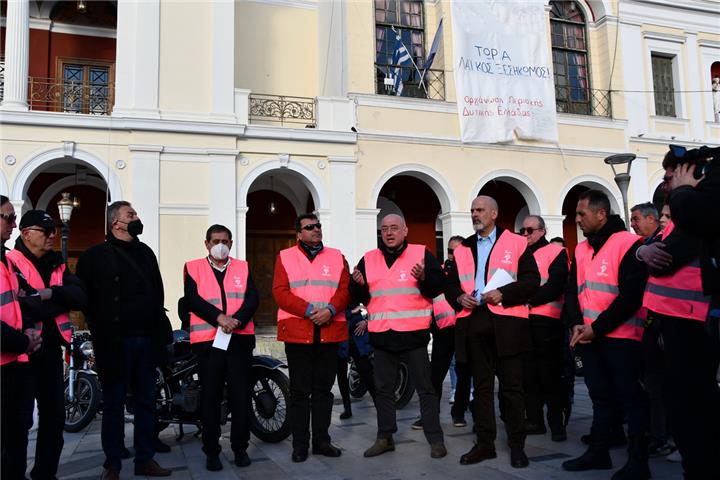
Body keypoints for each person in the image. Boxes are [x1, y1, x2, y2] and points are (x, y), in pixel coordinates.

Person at [76, 201, 173, 479]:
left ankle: (145, 459)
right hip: (114, 344)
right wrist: (100, 328)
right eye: (131, 215)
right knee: (115, 403)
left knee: (146, 401)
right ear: (115, 223)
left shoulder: (145, 253)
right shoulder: (94, 256)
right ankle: (113, 464)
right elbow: (85, 299)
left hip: (145, 341)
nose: (137, 218)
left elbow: (158, 293)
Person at [444, 195, 540, 468]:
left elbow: (532, 281)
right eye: (472, 210)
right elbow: (450, 285)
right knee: (481, 388)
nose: (475, 214)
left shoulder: (516, 242)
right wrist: (459, 298)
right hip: (474, 321)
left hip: (508, 322)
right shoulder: (463, 248)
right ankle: (485, 444)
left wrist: (503, 293)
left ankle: (517, 445)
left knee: (511, 387)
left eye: (481, 210)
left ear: (495, 213)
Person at [561, 190, 650, 480]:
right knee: (599, 397)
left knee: (630, 399)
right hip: (589, 337)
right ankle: (598, 453)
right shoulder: (582, 248)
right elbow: (573, 290)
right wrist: (576, 323)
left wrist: (595, 329)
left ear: (602, 214)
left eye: (581, 214)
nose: (576, 219)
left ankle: (639, 462)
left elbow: (630, 298)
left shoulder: (628, 244)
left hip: (621, 338)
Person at [644, 145, 720, 479]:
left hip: (692, 321)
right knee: (680, 399)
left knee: (691, 402)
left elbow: (664, 260)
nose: (666, 184)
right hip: (674, 321)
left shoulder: (691, 209)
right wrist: (643, 252)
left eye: (669, 177)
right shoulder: (683, 210)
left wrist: (686, 194)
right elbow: (651, 252)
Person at [352, 213, 447, 459]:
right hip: (382, 336)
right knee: (383, 390)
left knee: (426, 389)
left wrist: (425, 277)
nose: (389, 233)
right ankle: (385, 438)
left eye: (394, 228)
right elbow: (359, 297)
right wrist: (359, 285)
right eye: (384, 229)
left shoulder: (421, 253)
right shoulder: (369, 259)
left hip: (413, 336)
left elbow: (438, 287)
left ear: (405, 230)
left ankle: (435, 439)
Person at [7, 210, 87, 480]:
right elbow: (23, 306)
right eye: (46, 231)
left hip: (52, 352)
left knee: (54, 419)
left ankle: (45, 474)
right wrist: (53, 303)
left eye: (54, 230)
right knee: (19, 424)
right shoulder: (11, 262)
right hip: (23, 353)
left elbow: (80, 297)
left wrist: (49, 294)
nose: (52, 235)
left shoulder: (58, 264)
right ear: (27, 234)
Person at [272, 213, 350, 463]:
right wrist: (309, 311)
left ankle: (322, 441)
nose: (316, 229)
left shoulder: (337, 256)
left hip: (329, 329)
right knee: (299, 392)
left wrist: (329, 310)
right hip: (298, 332)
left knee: (323, 391)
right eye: (310, 227)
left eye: (318, 226)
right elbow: (280, 292)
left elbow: (345, 290)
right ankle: (300, 445)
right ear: (299, 234)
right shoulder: (285, 257)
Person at [183, 224, 259, 471]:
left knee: (240, 397)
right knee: (211, 398)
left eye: (226, 241)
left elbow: (252, 298)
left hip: (239, 339)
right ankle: (212, 451)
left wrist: (236, 320)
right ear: (206, 243)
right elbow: (193, 300)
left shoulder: (243, 267)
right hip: (209, 343)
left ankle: (240, 448)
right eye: (216, 240)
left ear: (232, 243)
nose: (221, 245)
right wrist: (220, 317)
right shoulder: (193, 267)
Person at [0, 196, 42, 480]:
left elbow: (26, 299)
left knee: (18, 432)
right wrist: (23, 341)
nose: (14, 224)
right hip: (6, 360)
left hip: (17, 362)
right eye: (8, 217)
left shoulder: (6, 260)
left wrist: (27, 331)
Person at [520, 215, 569, 442]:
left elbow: (556, 285)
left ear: (542, 230)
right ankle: (535, 421)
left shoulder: (556, 252)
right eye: (523, 230)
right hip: (525, 321)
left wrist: (530, 300)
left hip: (548, 321)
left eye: (530, 230)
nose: (526, 234)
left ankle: (556, 424)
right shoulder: (521, 255)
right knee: (528, 375)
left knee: (550, 375)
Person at [411, 235, 467, 429]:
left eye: (458, 251)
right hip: (442, 330)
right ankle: (428, 415)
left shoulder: (468, 273)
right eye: (451, 251)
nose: (454, 255)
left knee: (464, 373)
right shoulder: (438, 271)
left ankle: (458, 413)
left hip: (463, 329)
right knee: (435, 376)